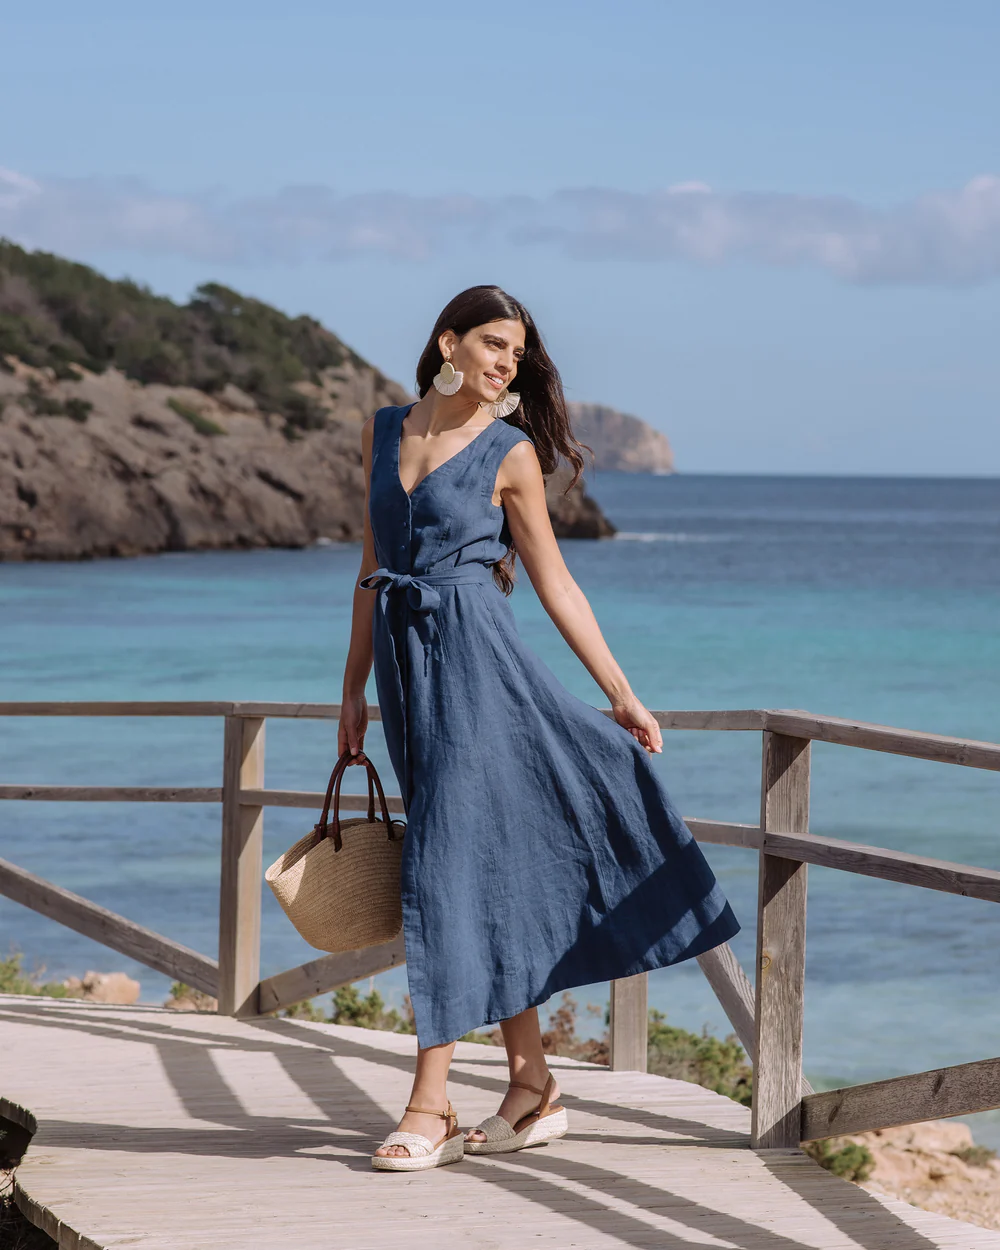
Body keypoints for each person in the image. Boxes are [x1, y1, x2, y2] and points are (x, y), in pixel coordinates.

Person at [337, 285, 740, 1172]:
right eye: (491, 344)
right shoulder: (383, 431)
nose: (504, 363)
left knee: (441, 867)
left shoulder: (511, 452)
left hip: (481, 669)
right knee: (472, 867)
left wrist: (623, 693)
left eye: (516, 355)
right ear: (448, 342)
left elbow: (556, 583)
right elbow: (371, 564)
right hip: (408, 677)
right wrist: (353, 689)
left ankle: (429, 1105)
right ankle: (533, 1086)